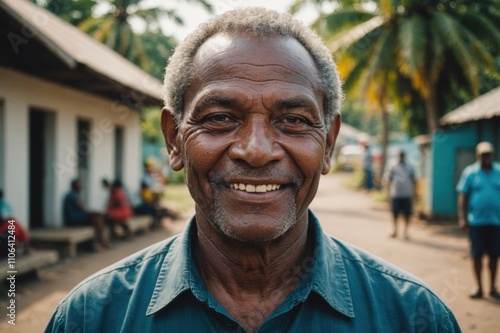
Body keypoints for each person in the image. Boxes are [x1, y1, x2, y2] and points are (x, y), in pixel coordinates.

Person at [45, 8, 460, 333]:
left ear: (329, 142)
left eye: (293, 120)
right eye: (221, 117)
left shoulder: (414, 316)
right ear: (174, 140)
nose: (256, 152)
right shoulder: (90, 318)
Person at [456, 141, 500, 300]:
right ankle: (479, 287)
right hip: (476, 223)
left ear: (492, 155)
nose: (486, 157)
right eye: (483, 155)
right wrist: (462, 217)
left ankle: (493, 287)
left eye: (488, 154)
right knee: (477, 255)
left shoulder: (499, 171)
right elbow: (463, 196)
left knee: (495, 256)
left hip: (496, 223)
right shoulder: (470, 173)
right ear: (478, 156)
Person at [62, 179, 109, 250]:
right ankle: (100, 242)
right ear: (74, 186)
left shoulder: (74, 194)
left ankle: (99, 242)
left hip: (77, 218)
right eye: (79, 185)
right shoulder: (72, 195)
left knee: (97, 218)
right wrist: (95, 212)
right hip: (73, 219)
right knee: (96, 218)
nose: (81, 186)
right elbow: (83, 208)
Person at [386, 150, 416, 239]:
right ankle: (395, 231)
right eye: (399, 156)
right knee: (394, 214)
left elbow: (414, 181)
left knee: (407, 214)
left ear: (404, 157)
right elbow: (389, 180)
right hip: (395, 194)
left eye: (402, 156)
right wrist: (387, 192)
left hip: (407, 194)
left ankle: (406, 232)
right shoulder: (392, 166)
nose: (400, 158)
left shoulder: (410, 167)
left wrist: (414, 195)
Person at [0, 189, 34, 255]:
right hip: (3, 225)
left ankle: (25, 247)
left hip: (5, 223)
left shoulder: (4, 204)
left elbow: (7, 214)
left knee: (17, 228)